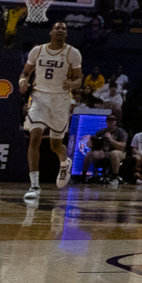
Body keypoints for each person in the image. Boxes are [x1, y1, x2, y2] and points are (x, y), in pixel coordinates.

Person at [19, 20, 82, 200]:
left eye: (64, 28)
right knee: (35, 135)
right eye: (57, 28)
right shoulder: (37, 51)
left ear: (66, 34)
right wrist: (22, 82)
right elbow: (25, 73)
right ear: (51, 32)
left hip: (61, 99)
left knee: (55, 145)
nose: (60, 30)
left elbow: (78, 79)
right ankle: (34, 185)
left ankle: (64, 163)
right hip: (40, 97)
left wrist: (72, 84)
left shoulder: (73, 53)